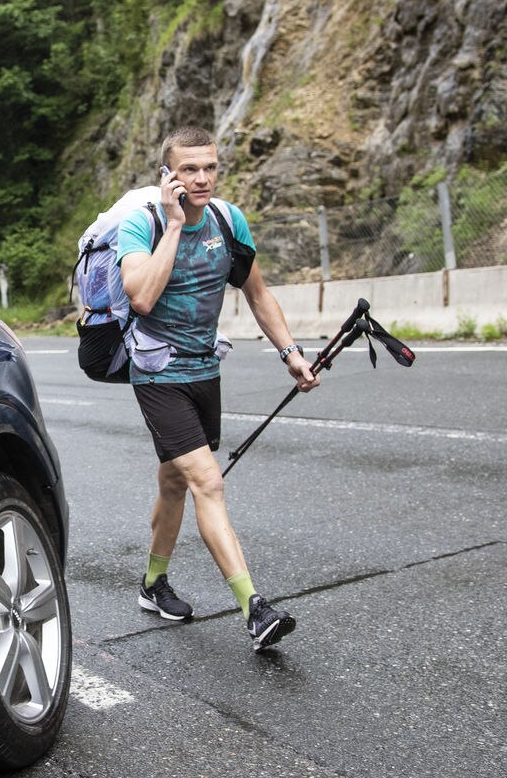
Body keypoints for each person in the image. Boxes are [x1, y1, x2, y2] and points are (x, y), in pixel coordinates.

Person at [116, 126, 319, 651]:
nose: (201, 178)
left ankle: (153, 584)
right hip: (159, 374)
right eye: (188, 169)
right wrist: (176, 225)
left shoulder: (229, 221)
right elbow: (140, 297)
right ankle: (254, 608)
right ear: (168, 174)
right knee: (209, 482)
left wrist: (290, 353)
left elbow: (257, 292)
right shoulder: (144, 224)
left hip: (206, 371)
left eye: (208, 167)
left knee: (174, 482)